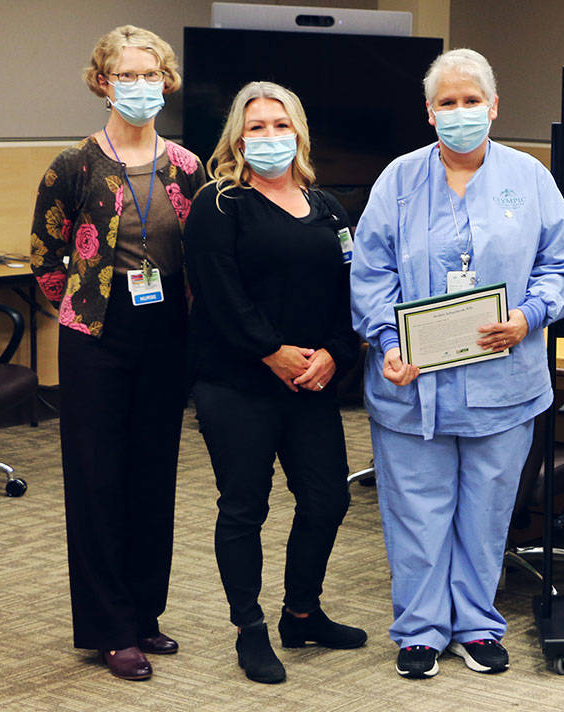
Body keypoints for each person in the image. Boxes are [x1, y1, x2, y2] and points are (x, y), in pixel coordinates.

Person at [351, 48, 564, 680]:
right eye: (446, 103)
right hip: (412, 382)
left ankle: (477, 624)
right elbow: (370, 273)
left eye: (471, 101)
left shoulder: (529, 177)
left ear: (494, 106)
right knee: (417, 511)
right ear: (429, 114)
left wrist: (529, 316)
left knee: (486, 509)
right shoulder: (398, 179)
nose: (460, 113)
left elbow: (559, 265)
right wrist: (386, 341)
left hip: (503, 379)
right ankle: (420, 630)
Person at [28, 25, 203, 682]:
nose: (139, 86)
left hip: (167, 335)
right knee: (99, 481)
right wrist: (79, 308)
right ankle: (109, 628)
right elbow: (46, 259)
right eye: (125, 75)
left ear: (167, 81)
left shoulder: (185, 167)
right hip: (97, 337)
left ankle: (144, 614)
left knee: (153, 477)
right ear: (102, 82)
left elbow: (199, 256)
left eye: (149, 74)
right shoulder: (73, 166)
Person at [184, 81, 366, 685]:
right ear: (238, 137)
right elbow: (219, 294)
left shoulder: (331, 208)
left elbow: (350, 295)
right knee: (245, 506)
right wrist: (272, 353)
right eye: (256, 127)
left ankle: (302, 612)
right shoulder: (219, 203)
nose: (269, 137)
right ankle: (250, 628)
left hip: (312, 382)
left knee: (327, 499)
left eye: (280, 125)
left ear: (299, 133)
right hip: (236, 383)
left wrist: (335, 356)